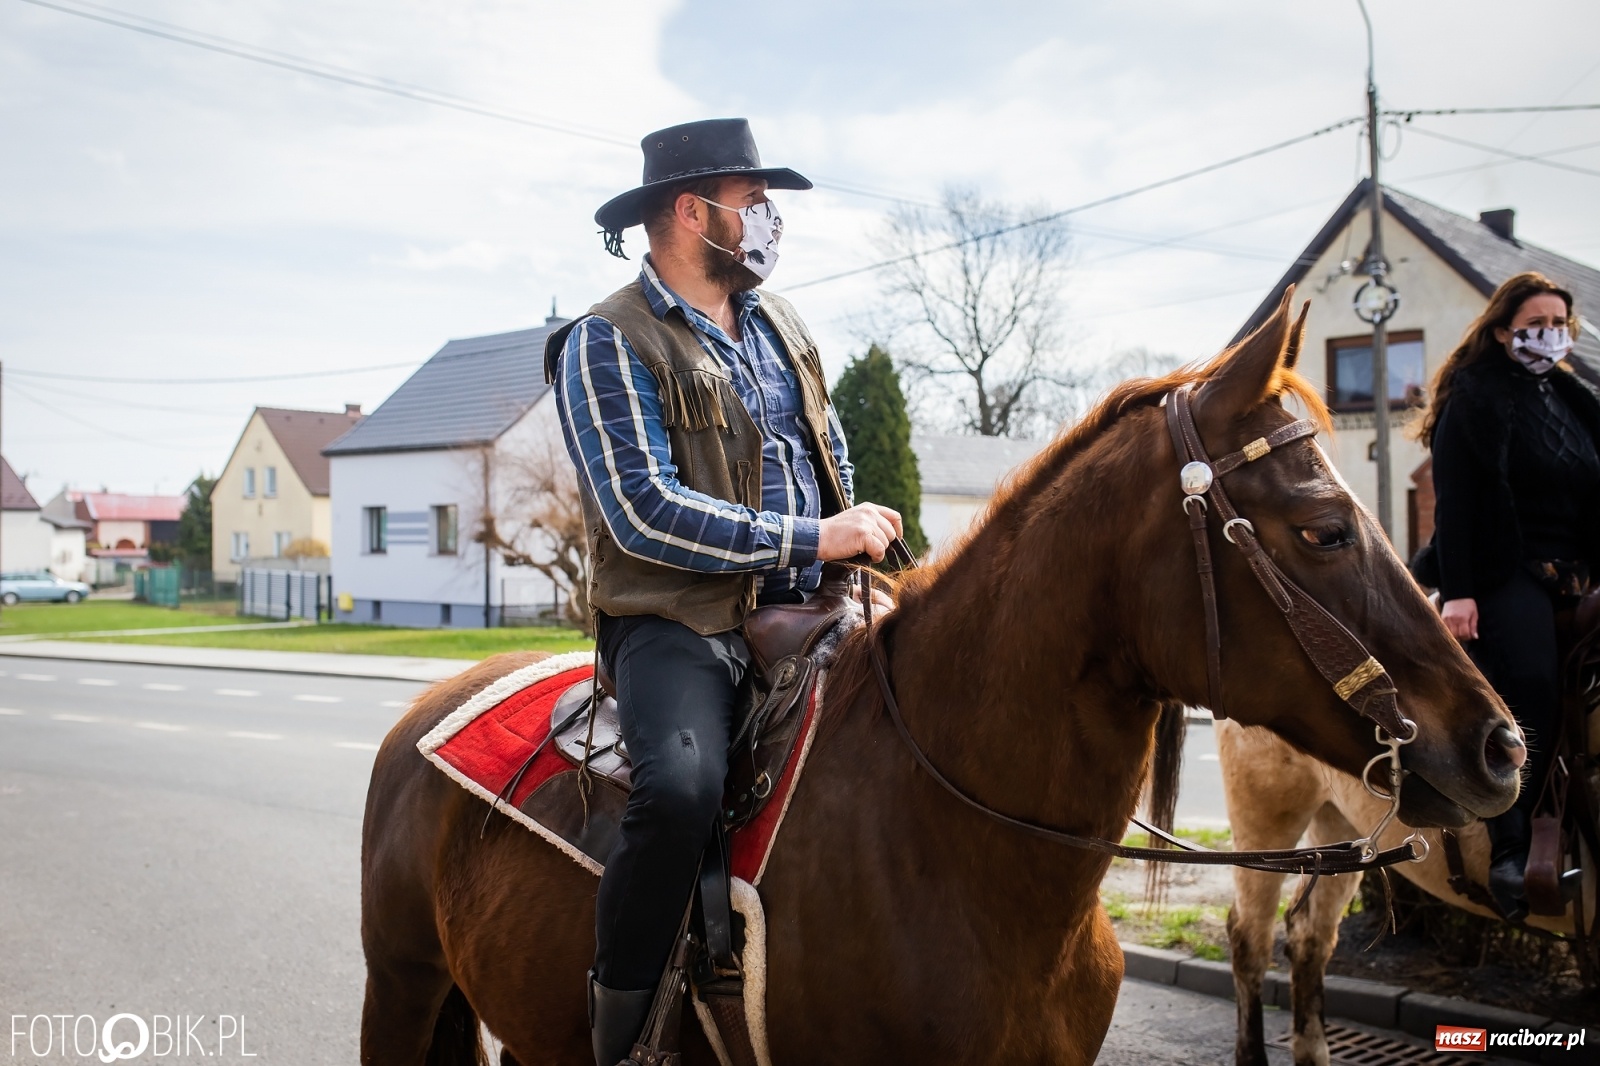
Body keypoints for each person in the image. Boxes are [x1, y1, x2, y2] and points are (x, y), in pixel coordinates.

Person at [543, 118, 904, 1066]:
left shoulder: (785, 326)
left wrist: (851, 531)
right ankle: (618, 1032)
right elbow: (642, 513)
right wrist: (809, 536)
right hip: (677, 621)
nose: (771, 221)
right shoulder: (604, 342)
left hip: (819, 600)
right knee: (682, 788)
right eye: (755, 203)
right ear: (692, 212)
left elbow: (825, 453)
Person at [1416, 271, 1600, 920]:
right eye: (1535, 325)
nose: (1550, 335)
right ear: (1502, 332)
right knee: (1528, 680)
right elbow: (1458, 505)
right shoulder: (1476, 396)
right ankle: (1510, 850)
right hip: (1503, 567)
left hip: (1579, 567)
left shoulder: (1577, 401)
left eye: (1561, 325)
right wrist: (1461, 594)